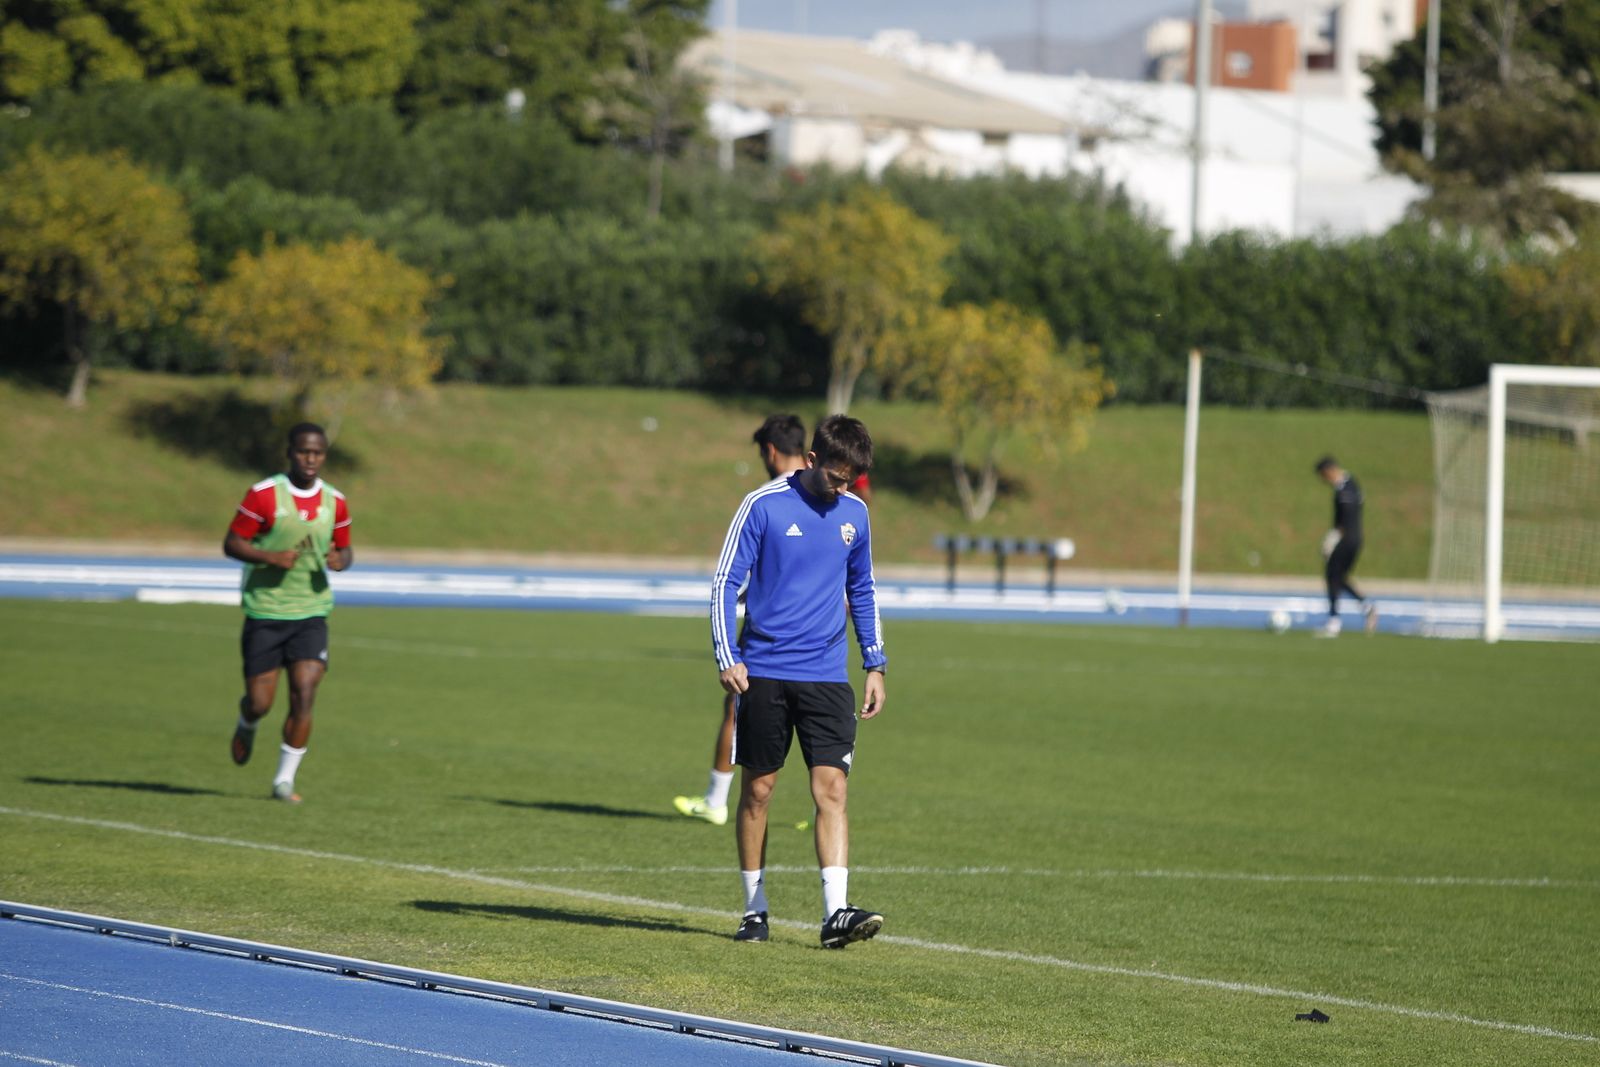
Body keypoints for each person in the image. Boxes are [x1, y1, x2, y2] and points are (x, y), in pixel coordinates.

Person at [711, 414, 887, 949]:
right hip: (764, 671)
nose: (841, 489)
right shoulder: (762, 505)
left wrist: (875, 663)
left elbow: (863, 588)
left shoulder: (855, 514)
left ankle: (836, 915)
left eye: (849, 481)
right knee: (759, 791)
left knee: (831, 788)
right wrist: (728, 654)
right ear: (811, 460)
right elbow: (725, 582)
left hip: (827, 675)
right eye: (834, 477)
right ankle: (754, 909)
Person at [675, 414, 809, 827]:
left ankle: (716, 800)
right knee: (814, 720)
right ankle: (821, 808)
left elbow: (731, 577)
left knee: (741, 707)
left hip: (771, 640)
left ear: (770, 450)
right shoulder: (833, 497)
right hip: (823, 641)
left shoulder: (765, 499)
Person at [224, 423, 353, 802]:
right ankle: (247, 720)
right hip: (265, 611)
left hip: (311, 612)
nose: (311, 459)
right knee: (261, 702)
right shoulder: (264, 495)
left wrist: (340, 561)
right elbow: (232, 543)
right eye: (303, 451)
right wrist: (269, 557)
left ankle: (284, 781)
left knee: (304, 693)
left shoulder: (335, 501)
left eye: (318, 453)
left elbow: (345, 549)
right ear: (290, 453)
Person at [1314, 455, 1377, 637]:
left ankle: (1334, 620)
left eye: (1323, 475)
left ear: (1329, 471)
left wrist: (1333, 539)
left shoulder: (1346, 488)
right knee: (1337, 577)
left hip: (1348, 538)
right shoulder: (1350, 484)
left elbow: (1346, 518)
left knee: (1333, 575)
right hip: (1352, 538)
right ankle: (1366, 607)